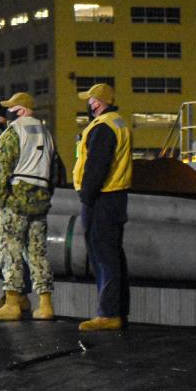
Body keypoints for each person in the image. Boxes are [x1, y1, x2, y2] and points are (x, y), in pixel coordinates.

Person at [0, 92, 55, 321]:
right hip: (40, 200)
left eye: (12, 108)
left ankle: (12, 302)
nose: (8, 112)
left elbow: (1, 169)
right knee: (37, 252)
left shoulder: (14, 132)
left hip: (15, 199)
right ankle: (45, 304)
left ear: (22, 110)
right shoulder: (46, 133)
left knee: (10, 250)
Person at [73, 83, 131, 331]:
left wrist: (86, 196)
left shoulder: (103, 127)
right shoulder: (118, 122)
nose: (88, 104)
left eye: (90, 100)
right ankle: (117, 311)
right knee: (113, 255)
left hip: (102, 199)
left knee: (103, 257)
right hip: (115, 198)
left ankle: (108, 314)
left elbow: (96, 167)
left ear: (97, 102)